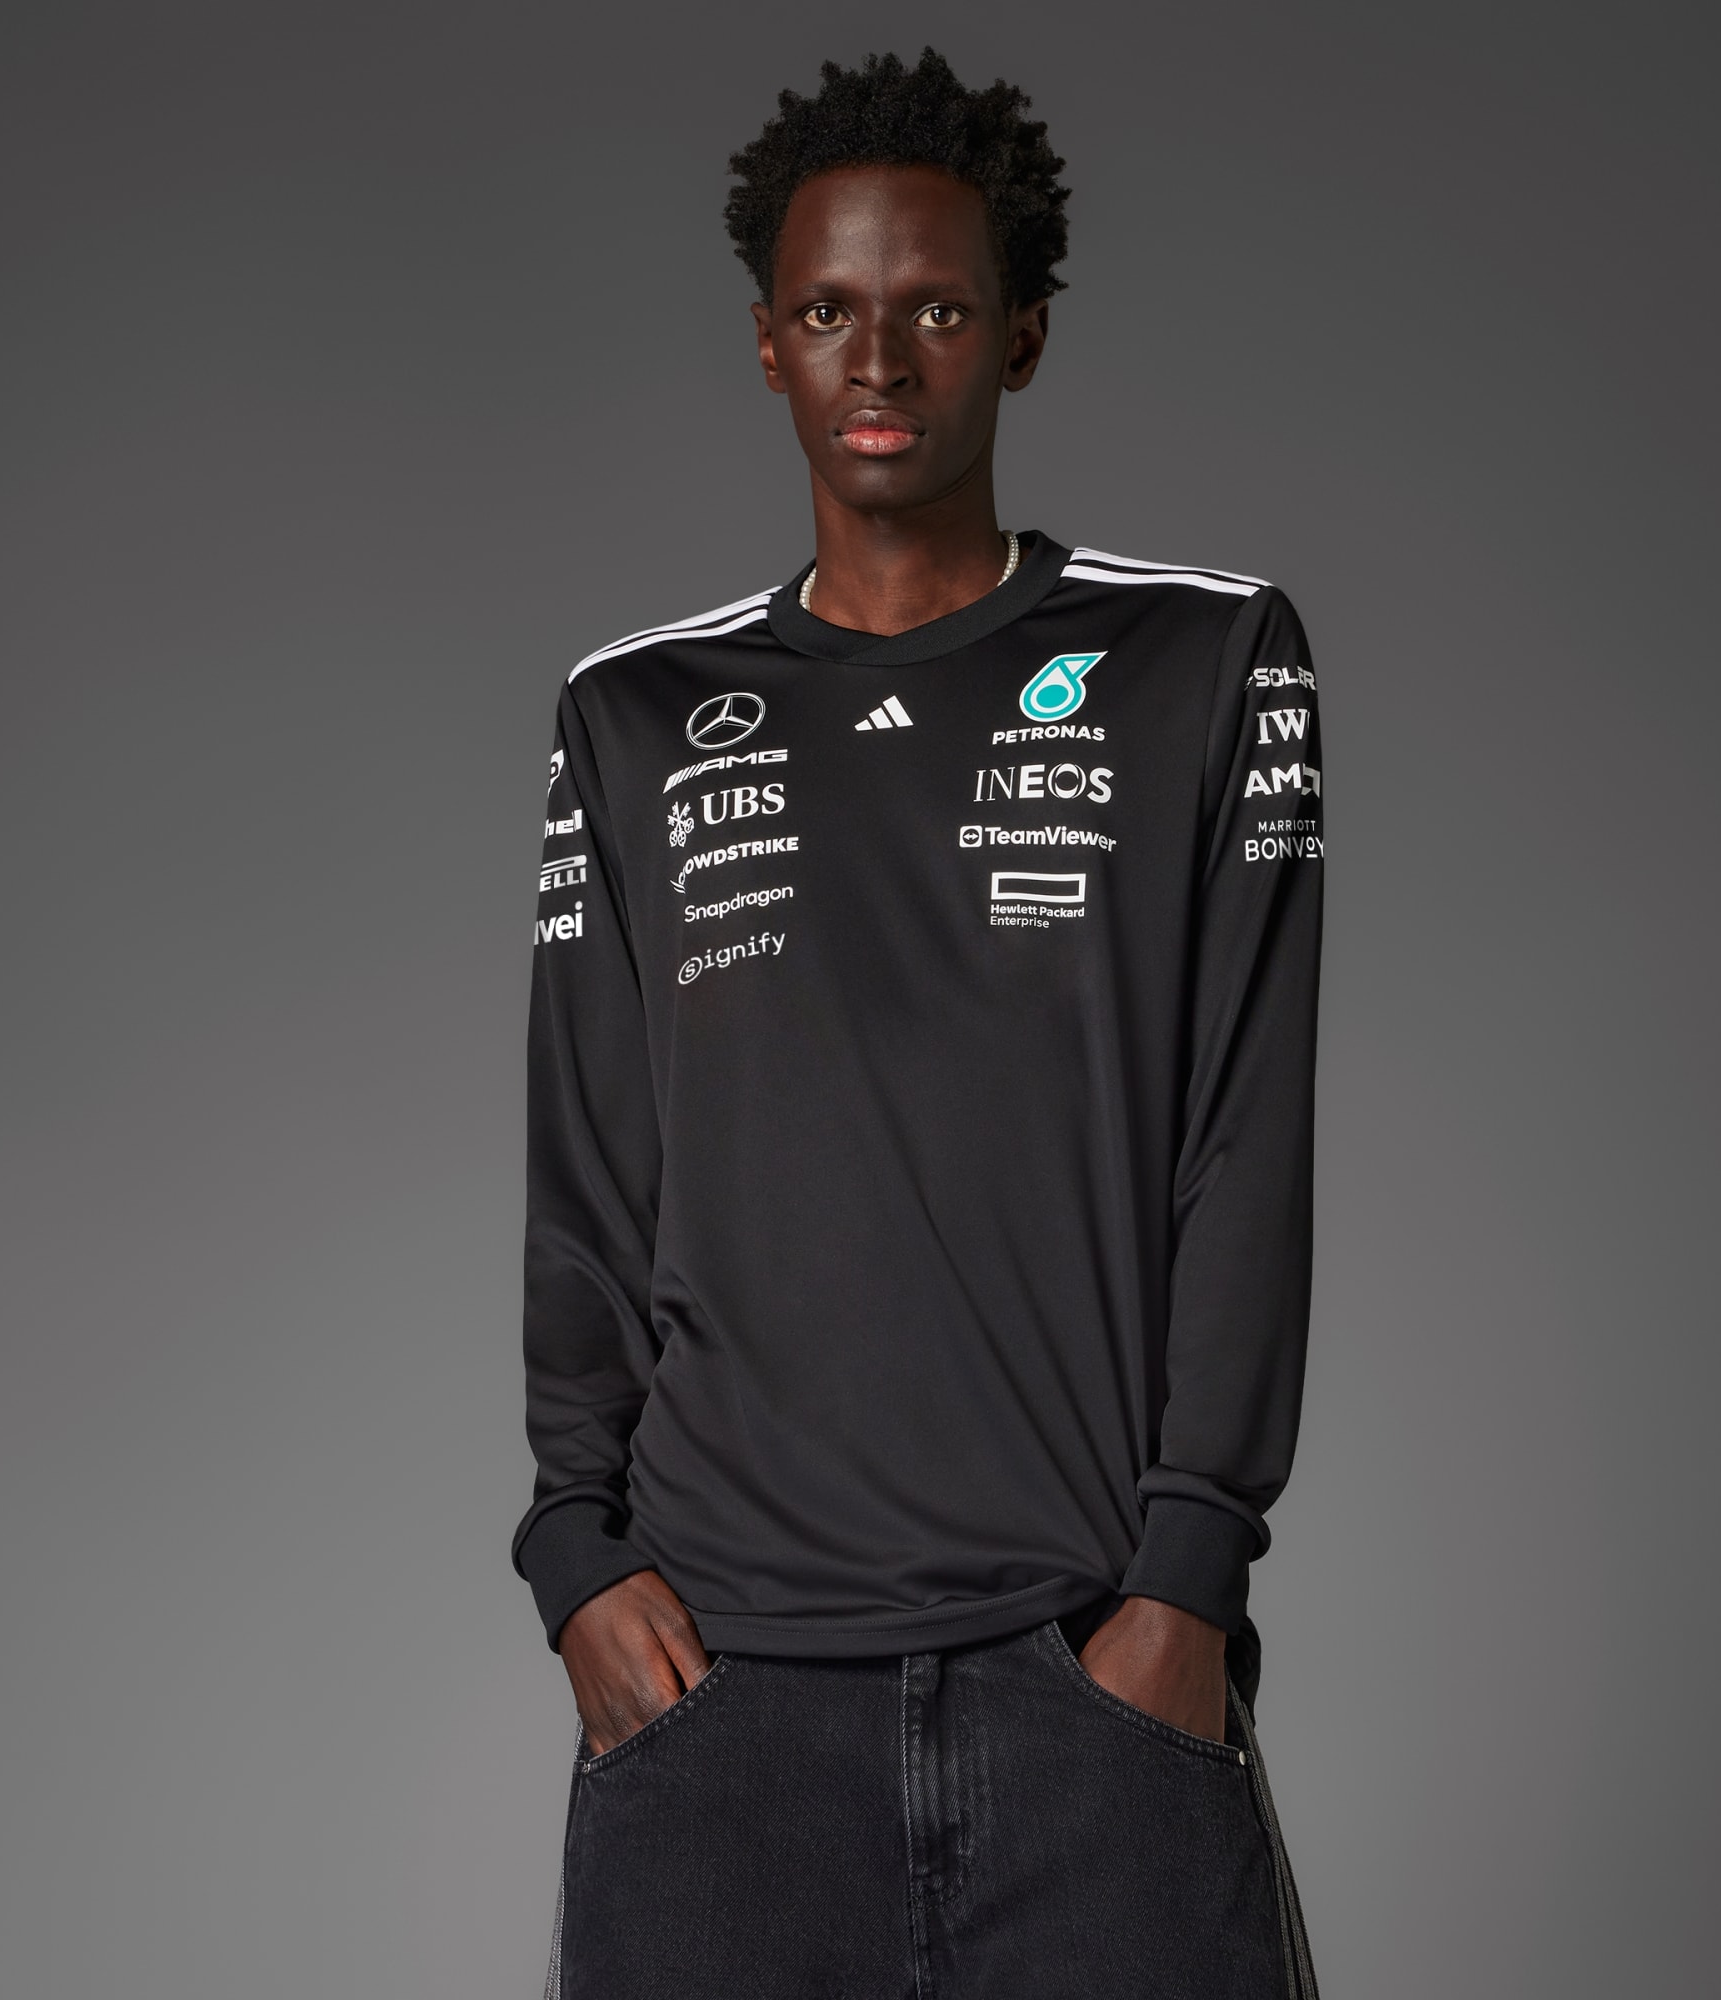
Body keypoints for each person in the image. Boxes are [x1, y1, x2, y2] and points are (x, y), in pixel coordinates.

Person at [514, 47, 1325, 2000]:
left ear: (1022, 333)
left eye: (936, 309)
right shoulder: (632, 715)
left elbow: (1244, 1140)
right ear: (767, 342)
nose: (877, 359)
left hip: (1093, 1681)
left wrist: (1185, 1582)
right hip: (716, 1709)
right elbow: (588, 1186)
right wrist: (576, 1562)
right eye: (827, 311)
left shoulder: (1205, 656)